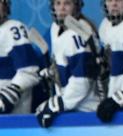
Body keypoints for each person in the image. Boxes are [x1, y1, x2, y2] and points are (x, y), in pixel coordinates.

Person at [37, 0, 102, 128]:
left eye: (67, 3)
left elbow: (82, 81)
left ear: (76, 7)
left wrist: (59, 104)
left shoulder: (78, 33)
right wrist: (52, 72)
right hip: (71, 109)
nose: (62, 8)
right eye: (58, 3)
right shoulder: (56, 28)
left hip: (86, 112)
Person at [0, 0, 41, 115]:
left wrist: (11, 92)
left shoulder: (13, 28)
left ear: (5, 6)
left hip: (11, 118)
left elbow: (29, 72)